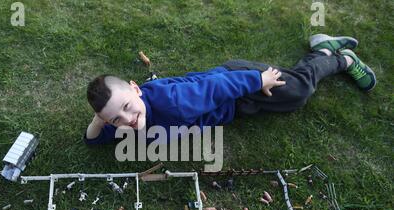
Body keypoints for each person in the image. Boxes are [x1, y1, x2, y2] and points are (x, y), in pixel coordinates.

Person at [84, 34, 376, 145]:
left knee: (297, 93)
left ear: (136, 89)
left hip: (238, 85)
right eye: (116, 120)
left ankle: (339, 59)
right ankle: (322, 52)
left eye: (126, 108)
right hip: (234, 105)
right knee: (290, 99)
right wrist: (100, 119)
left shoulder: (174, 103)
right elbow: (94, 142)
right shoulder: (127, 124)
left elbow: (216, 87)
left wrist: (257, 82)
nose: (128, 120)